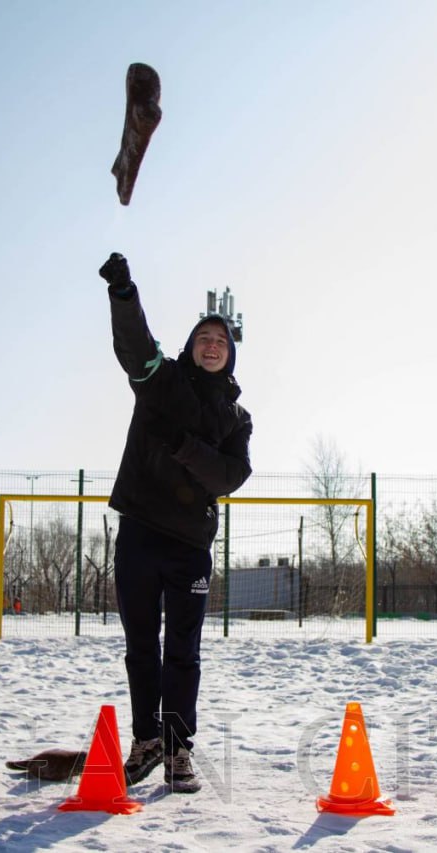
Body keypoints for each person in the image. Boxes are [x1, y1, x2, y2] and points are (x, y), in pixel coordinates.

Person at [100, 252, 253, 794]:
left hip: (189, 545)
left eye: (221, 341)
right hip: (140, 533)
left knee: (183, 652)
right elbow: (135, 347)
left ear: (229, 355)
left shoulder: (236, 417)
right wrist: (125, 294)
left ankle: (177, 747)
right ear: (191, 346)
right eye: (203, 338)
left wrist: (187, 448)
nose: (211, 345)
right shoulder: (160, 381)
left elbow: (232, 475)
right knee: (142, 645)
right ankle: (145, 742)